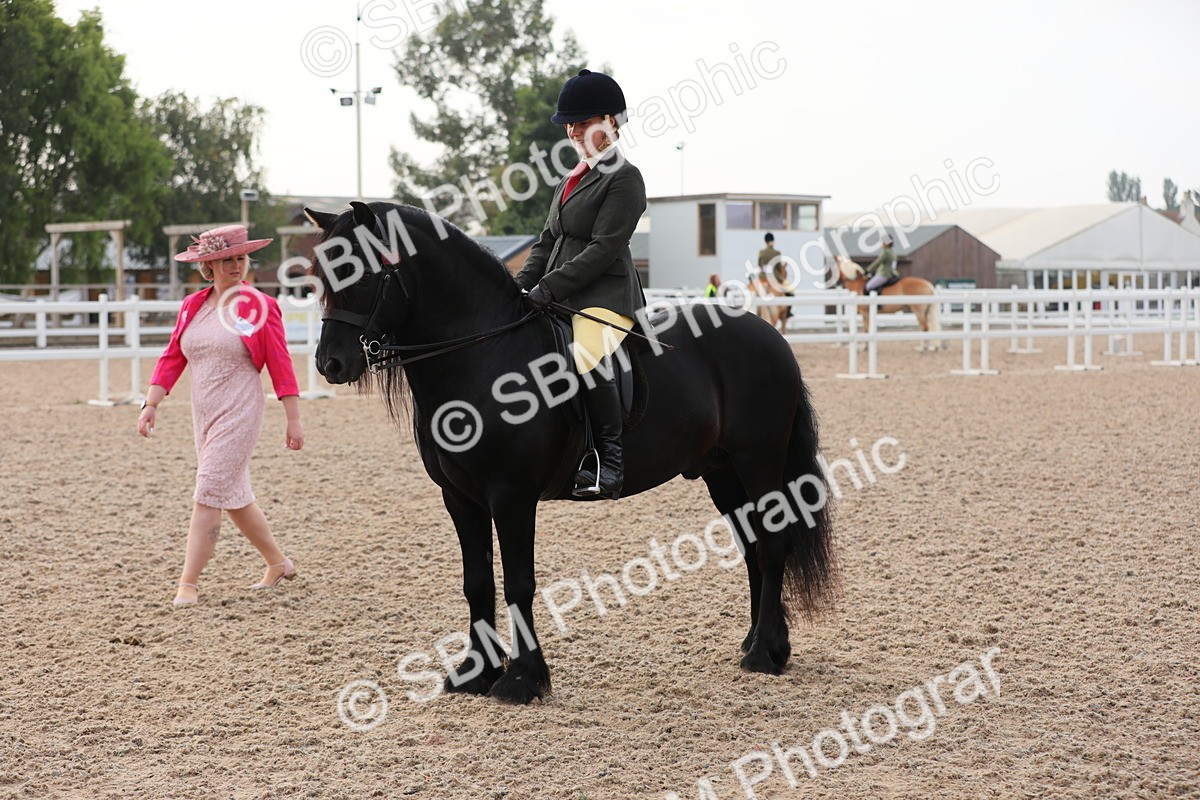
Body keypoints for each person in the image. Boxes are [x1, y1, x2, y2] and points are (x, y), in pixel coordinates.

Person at [137, 225, 304, 607]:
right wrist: (151, 404)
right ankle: (278, 564)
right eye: (226, 259)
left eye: (240, 258)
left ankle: (188, 583)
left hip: (240, 410)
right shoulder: (192, 305)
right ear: (208, 265)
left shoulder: (260, 305)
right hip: (204, 413)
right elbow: (172, 356)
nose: (235, 265)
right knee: (234, 497)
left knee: (208, 489)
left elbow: (280, 363)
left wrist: (293, 419)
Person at [515, 68, 647, 501]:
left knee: (586, 354)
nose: (573, 131)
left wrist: (549, 287)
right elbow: (546, 241)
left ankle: (610, 463)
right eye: (569, 124)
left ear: (611, 122)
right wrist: (517, 286)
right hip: (562, 293)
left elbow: (604, 249)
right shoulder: (570, 179)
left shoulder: (624, 177)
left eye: (583, 122)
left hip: (606, 296)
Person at [757, 233, 793, 323]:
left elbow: (759, 265)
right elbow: (779, 267)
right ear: (773, 241)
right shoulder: (777, 253)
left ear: (765, 241)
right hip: (774, 277)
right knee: (791, 292)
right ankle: (788, 312)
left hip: (762, 277)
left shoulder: (761, 252)